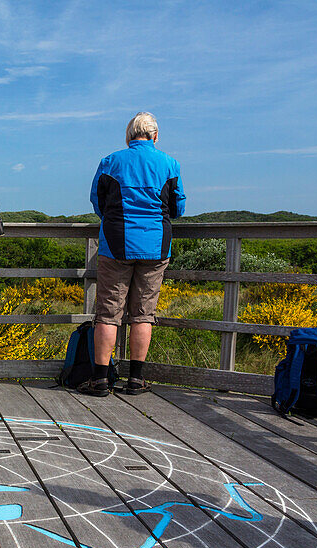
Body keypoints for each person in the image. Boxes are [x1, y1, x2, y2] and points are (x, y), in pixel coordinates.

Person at [84, 112, 185, 396]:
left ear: (129, 136)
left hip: (116, 242)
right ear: (155, 136)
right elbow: (178, 207)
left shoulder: (110, 162)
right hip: (155, 245)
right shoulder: (170, 164)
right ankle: (136, 379)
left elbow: (98, 201)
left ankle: (101, 380)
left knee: (108, 312)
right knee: (143, 313)